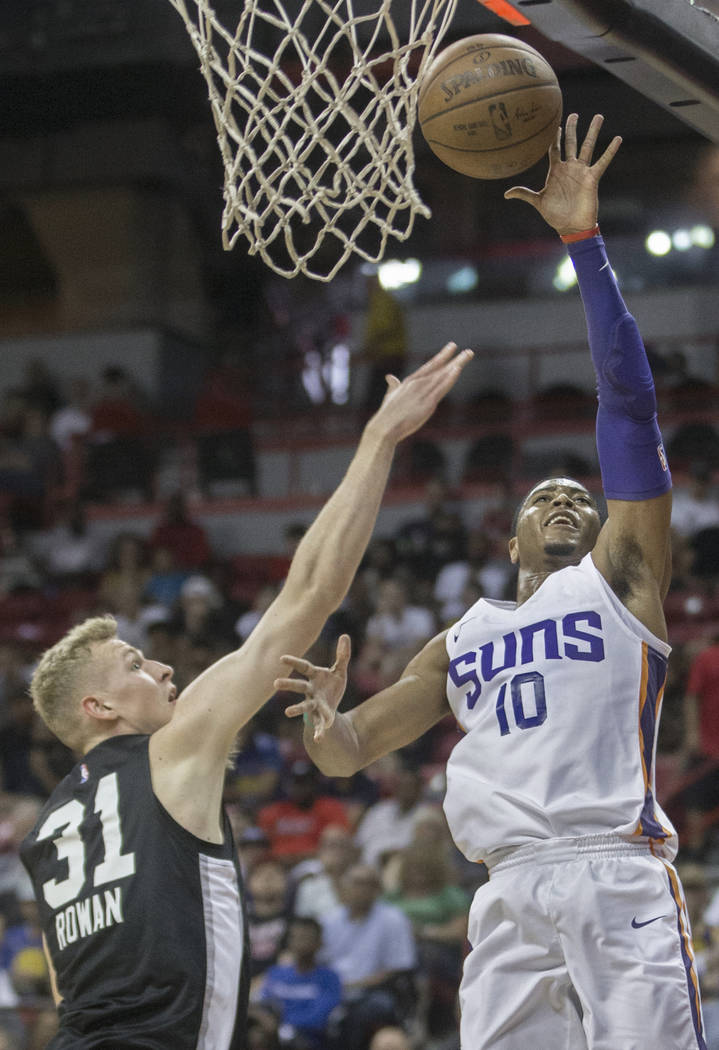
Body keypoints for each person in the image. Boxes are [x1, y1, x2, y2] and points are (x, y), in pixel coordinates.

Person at [278, 115, 706, 1049]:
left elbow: (629, 408)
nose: (565, 502)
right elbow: (351, 751)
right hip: (506, 886)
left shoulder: (621, 582)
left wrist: (582, 242)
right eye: (542, 498)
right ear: (508, 538)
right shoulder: (460, 638)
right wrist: (323, 721)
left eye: (578, 498)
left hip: (613, 867)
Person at [16, 342, 473, 1050]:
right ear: (98, 708)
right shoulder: (168, 752)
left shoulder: (45, 831)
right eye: (135, 664)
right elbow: (309, 594)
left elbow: (62, 988)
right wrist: (380, 437)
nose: (162, 668)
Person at [258, 915, 342, 1048]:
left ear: (319, 943)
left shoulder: (330, 978)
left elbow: (318, 1019)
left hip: (306, 1041)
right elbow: (263, 1004)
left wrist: (278, 1024)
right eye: (295, 937)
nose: (300, 943)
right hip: (271, 1037)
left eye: (306, 938)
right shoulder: (275, 973)